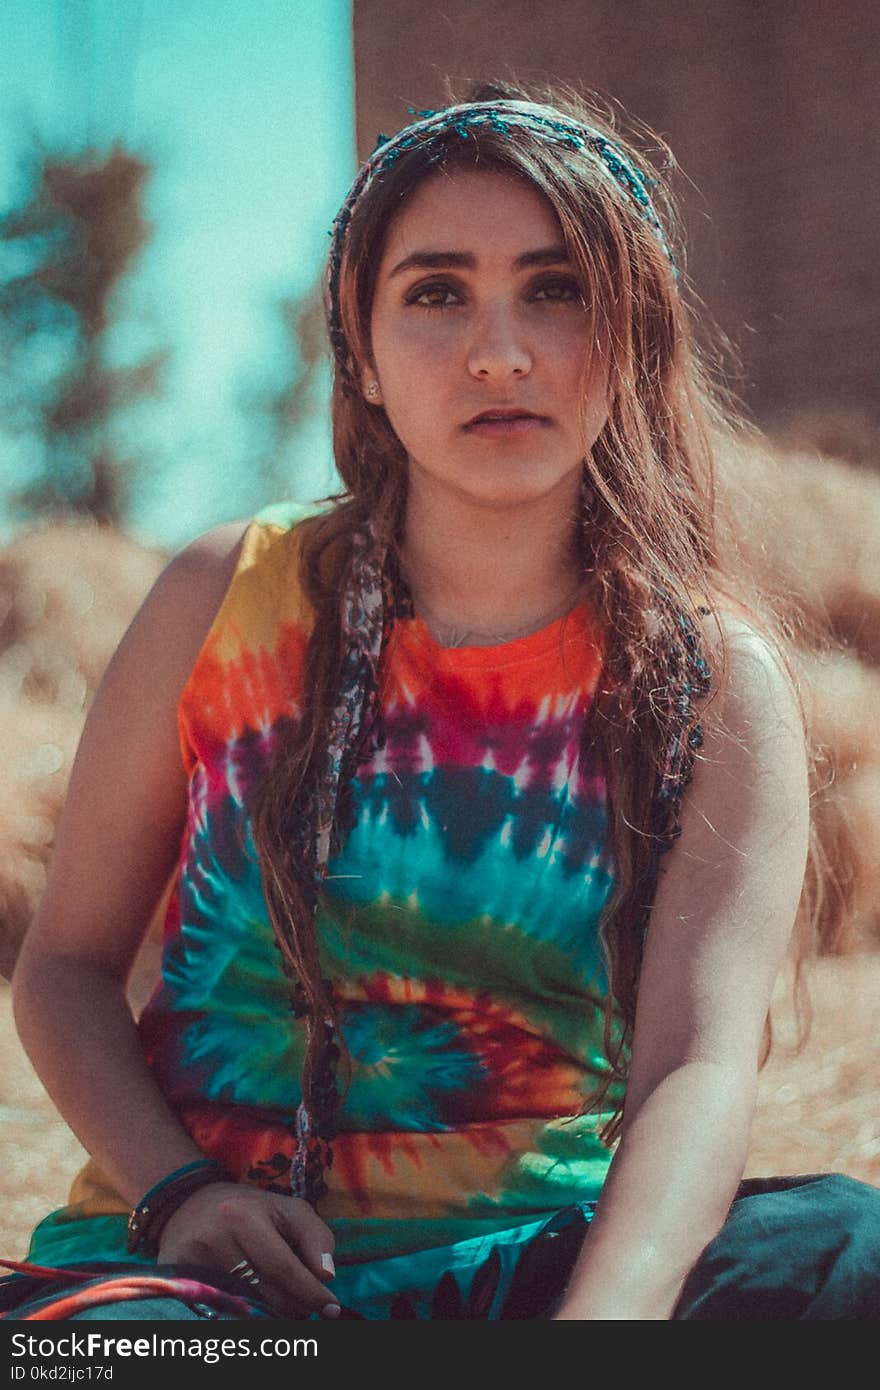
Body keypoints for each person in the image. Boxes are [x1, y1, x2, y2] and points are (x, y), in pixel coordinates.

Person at [2, 81, 878, 1322]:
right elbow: (67, 970)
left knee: (848, 1252)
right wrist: (180, 1194)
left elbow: (695, 1067)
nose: (499, 351)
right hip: (213, 1282)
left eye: (556, 288)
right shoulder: (221, 596)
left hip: (541, 1264)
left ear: (632, 332)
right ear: (356, 347)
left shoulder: (713, 681)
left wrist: (605, 1320)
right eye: (435, 292)